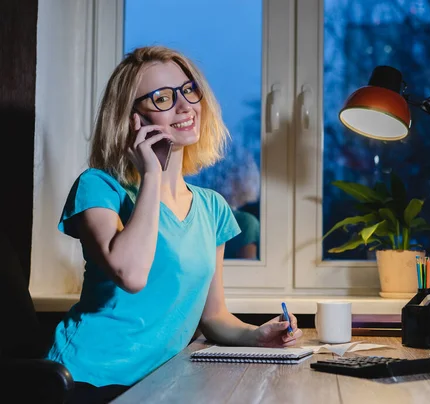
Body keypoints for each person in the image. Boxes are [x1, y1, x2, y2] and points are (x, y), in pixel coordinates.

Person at [45, 45, 302, 403]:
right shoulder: (99, 187)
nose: (184, 106)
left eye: (188, 90)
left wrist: (258, 336)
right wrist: (152, 173)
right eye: (162, 98)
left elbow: (213, 316)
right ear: (130, 117)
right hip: (87, 382)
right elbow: (131, 274)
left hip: (161, 385)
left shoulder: (212, 207)